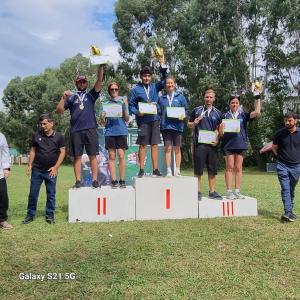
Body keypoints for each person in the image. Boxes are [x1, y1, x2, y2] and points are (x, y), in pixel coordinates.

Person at [56, 65, 104, 188]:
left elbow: (99, 81)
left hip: (90, 129)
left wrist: (101, 66)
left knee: (93, 155)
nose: (82, 84)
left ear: (86, 83)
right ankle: (78, 181)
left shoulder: (91, 95)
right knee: (77, 157)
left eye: (84, 82)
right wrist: (63, 98)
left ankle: (94, 180)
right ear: (76, 83)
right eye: (79, 82)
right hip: (76, 130)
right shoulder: (71, 97)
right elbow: (59, 111)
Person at [22, 114, 65, 224]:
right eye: (41, 124)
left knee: (51, 194)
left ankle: (50, 216)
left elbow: (63, 152)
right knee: (33, 193)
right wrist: (29, 166)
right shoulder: (36, 135)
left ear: (52, 123)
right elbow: (32, 151)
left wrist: (56, 168)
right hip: (37, 170)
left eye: (45, 123)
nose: (42, 126)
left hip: (51, 171)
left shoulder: (59, 136)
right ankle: (30, 215)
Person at [129, 63, 168, 178]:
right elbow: (131, 105)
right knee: (142, 145)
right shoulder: (136, 90)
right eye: (144, 76)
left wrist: (163, 68)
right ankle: (141, 169)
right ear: (141, 77)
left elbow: (165, 80)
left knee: (155, 144)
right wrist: (137, 112)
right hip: (143, 121)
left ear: (151, 77)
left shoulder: (155, 86)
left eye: (148, 76)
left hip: (155, 119)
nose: (146, 78)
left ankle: (155, 169)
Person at [219, 94, 261, 200]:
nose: (234, 104)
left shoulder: (243, 115)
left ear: (239, 104)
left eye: (236, 102)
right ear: (229, 104)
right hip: (228, 145)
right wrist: (221, 129)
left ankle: (237, 191)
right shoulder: (224, 116)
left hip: (241, 145)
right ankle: (229, 191)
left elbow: (257, 113)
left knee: (238, 168)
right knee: (229, 167)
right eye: (232, 102)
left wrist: (258, 97)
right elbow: (220, 134)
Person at [188, 88, 222, 200]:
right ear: (204, 98)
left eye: (211, 97)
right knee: (198, 169)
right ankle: (197, 192)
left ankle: (212, 192)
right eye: (207, 97)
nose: (208, 99)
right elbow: (189, 124)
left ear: (214, 99)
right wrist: (194, 122)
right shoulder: (196, 110)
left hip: (212, 145)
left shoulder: (218, 113)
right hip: (200, 145)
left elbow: (219, 129)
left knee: (212, 169)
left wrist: (217, 138)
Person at [99, 82, 129, 188]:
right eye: (112, 89)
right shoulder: (104, 103)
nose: (114, 91)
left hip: (121, 131)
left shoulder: (123, 101)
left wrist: (124, 106)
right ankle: (114, 181)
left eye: (116, 89)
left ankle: (122, 180)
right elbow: (101, 123)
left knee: (121, 156)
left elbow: (127, 119)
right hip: (110, 132)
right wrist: (102, 117)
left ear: (118, 90)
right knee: (111, 156)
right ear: (109, 91)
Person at [158, 76, 188, 177]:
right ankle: (168, 170)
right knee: (168, 149)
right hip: (166, 127)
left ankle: (178, 170)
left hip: (178, 127)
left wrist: (183, 116)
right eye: (168, 83)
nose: (170, 85)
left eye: (171, 83)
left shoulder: (180, 97)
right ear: (165, 86)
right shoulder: (161, 98)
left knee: (177, 149)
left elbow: (186, 110)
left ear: (174, 85)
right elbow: (158, 112)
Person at [272, 113, 300, 222]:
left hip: (296, 166)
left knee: (291, 189)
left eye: (290, 120)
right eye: (286, 121)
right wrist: (279, 158)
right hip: (282, 165)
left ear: (295, 121)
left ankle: (290, 211)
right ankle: (287, 212)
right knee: (285, 188)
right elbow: (274, 147)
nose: (287, 123)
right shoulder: (280, 133)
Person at [0, 132, 12, 229]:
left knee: (3, 197)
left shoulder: (1, 136)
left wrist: (6, 168)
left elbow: (5, 152)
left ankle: (2, 220)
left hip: (0, 173)